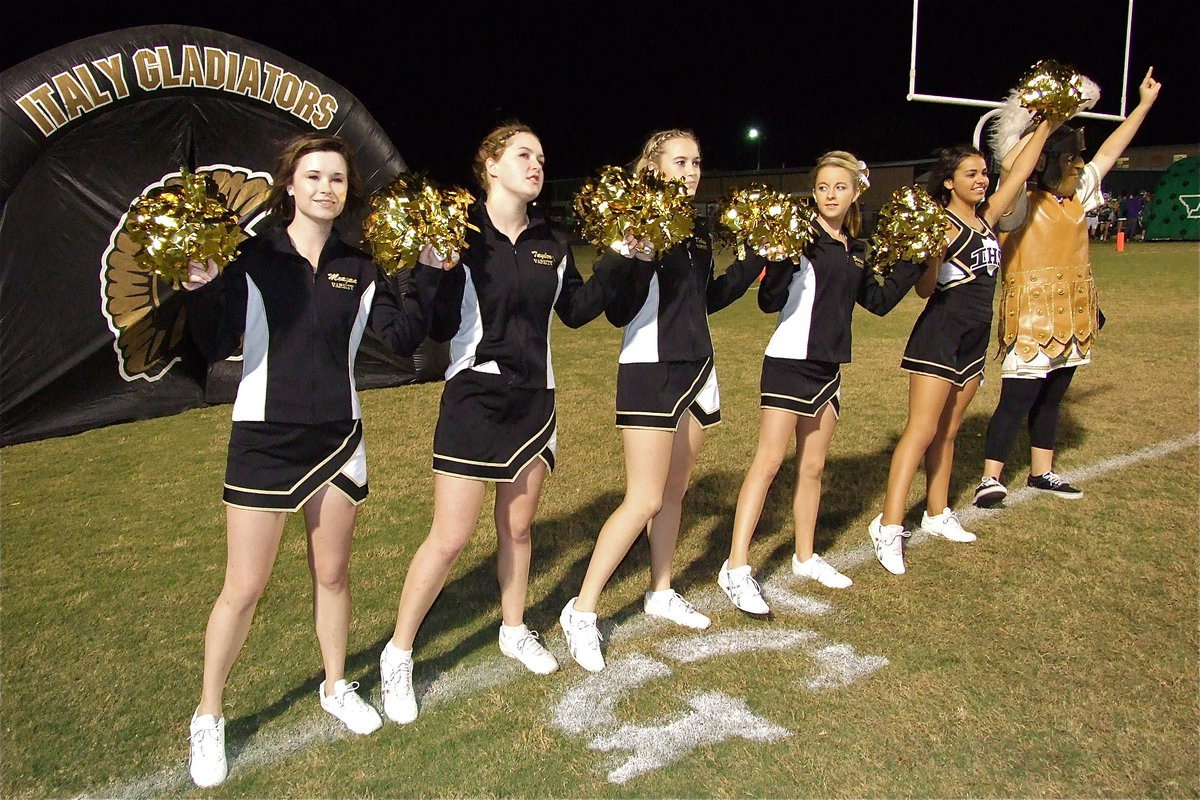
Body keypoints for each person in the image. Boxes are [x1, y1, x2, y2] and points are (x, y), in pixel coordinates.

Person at [182, 133, 448, 787]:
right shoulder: (252, 257)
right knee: (243, 587)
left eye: (336, 177)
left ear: (346, 190)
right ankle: (208, 715)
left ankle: (335, 686)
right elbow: (216, 342)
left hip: (338, 438)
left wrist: (429, 270)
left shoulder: (360, 266)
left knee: (332, 576)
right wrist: (200, 287)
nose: (325, 186)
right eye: (313, 175)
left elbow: (402, 338)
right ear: (290, 186)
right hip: (265, 440)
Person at [378, 123, 637, 720]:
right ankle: (398, 654)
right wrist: (431, 269)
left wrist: (622, 257)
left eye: (542, 157)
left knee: (518, 530)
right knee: (449, 538)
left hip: (535, 401)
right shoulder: (462, 235)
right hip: (475, 399)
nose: (537, 164)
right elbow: (440, 328)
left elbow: (574, 310)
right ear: (490, 166)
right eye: (524, 154)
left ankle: (514, 628)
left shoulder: (553, 240)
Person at [558, 129, 764, 671]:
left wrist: (749, 264)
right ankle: (581, 611)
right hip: (650, 370)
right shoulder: (636, 220)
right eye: (680, 161)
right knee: (644, 498)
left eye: (697, 161)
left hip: (697, 367)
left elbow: (704, 300)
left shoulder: (694, 228)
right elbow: (619, 311)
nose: (692, 170)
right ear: (653, 165)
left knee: (674, 491)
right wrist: (636, 254)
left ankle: (660, 589)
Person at [717, 152, 929, 612]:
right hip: (788, 362)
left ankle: (805, 556)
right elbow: (769, 303)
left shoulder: (855, 248)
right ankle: (735, 567)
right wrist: (775, 263)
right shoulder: (800, 237)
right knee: (769, 463)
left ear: (856, 192)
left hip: (828, 369)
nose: (830, 195)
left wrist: (915, 257)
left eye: (839, 187)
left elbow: (877, 301)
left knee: (812, 469)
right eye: (822, 187)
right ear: (813, 192)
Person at [866, 117, 1058, 575]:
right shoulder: (942, 224)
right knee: (922, 430)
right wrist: (929, 254)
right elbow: (924, 290)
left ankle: (936, 512)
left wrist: (1047, 125)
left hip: (974, 335)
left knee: (949, 431)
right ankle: (888, 526)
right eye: (970, 174)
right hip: (940, 334)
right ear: (949, 182)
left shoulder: (988, 219)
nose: (981, 180)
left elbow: (1020, 174)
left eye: (983, 173)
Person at [973, 68, 1162, 507]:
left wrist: (1143, 106)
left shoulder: (1078, 196)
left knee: (1054, 397)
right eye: (1070, 160)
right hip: (1032, 316)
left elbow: (1113, 151)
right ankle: (991, 477)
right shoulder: (1018, 202)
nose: (1079, 166)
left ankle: (1043, 471)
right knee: (1016, 398)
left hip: (1074, 311)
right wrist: (1047, 120)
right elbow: (1015, 162)